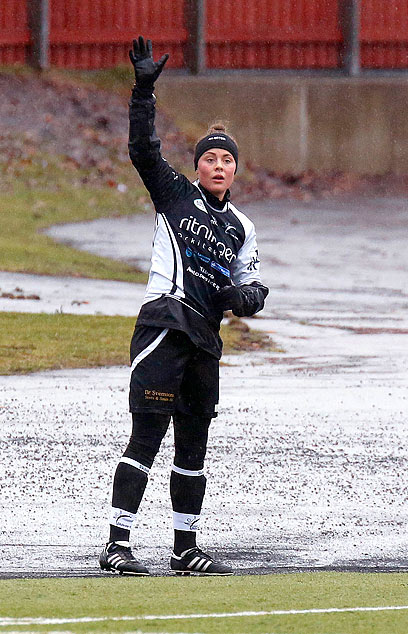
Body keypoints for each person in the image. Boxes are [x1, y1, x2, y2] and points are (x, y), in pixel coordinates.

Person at [100, 36, 269, 576]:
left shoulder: (243, 227)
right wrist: (142, 94)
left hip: (204, 339)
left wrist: (248, 298)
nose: (219, 166)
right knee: (147, 434)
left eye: (227, 160)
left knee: (193, 444)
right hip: (163, 326)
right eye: (210, 158)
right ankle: (117, 543)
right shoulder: (175, 195)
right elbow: (142, 152)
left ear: (236, 172)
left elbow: (254, 286)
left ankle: (184, 547)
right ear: (198, 168)